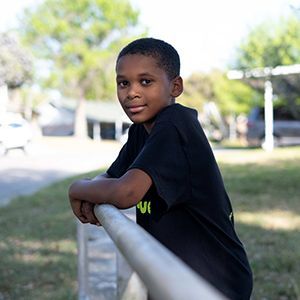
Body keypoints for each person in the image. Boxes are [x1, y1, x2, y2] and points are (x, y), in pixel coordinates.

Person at [68, 37, 253, 299]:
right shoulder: (141, 132)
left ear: (175, 86)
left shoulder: (174, 125)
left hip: (211, 280)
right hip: (170, 272)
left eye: (146, 81)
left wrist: (77, 188)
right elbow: (110, 176)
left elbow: (126, 193)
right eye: (123, 83)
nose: (131, 92)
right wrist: (91, 189)